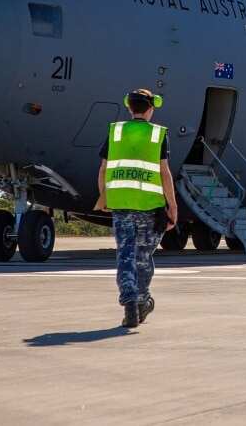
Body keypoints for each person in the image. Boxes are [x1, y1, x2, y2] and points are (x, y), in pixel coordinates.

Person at [93, 88, 178, 328]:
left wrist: (105, 197)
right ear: (151, 108)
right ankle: (142, 299)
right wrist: (172, 205)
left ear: (129, 108)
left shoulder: (115, 132)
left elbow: (102, 169)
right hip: (150, 207)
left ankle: (129, 298)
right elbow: (164, 172)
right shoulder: (158, 135)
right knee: (143, 256)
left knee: (125, 254)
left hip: (121, 205)